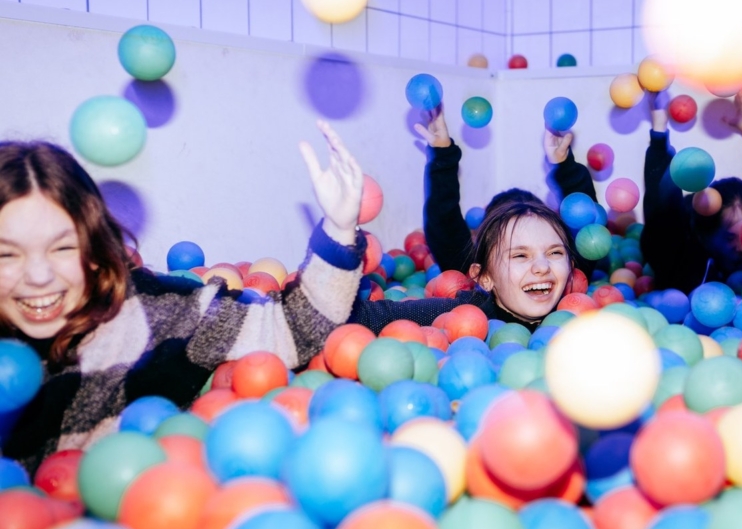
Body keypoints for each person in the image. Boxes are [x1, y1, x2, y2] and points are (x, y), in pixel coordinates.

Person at [0, 122, 367, 473]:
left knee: (375, 314)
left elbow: (292, 327)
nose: (38, 277)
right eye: (7, 255)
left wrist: (338, 228)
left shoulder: (150, 313)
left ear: (94, 251)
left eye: (62, 248)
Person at [640, 85, 742, 293]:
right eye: (730, 237)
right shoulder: (680, 262)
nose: (741, 247)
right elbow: (661, 214)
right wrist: (659, 131)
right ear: (705, 235)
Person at [414, 105, 596, 275]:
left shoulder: (567, 275)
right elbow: (444, 226)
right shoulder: (479, 275)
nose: (540, 267)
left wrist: (565, 167)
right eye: (519, 254)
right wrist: (442, 156)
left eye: (551, 251)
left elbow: (588, 231)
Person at [348, 199, 577, 333]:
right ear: (484, 278)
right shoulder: (460, 315)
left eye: (555, 252)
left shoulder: (577, 321)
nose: (542, 266)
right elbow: (370, 316)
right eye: (520, 255)